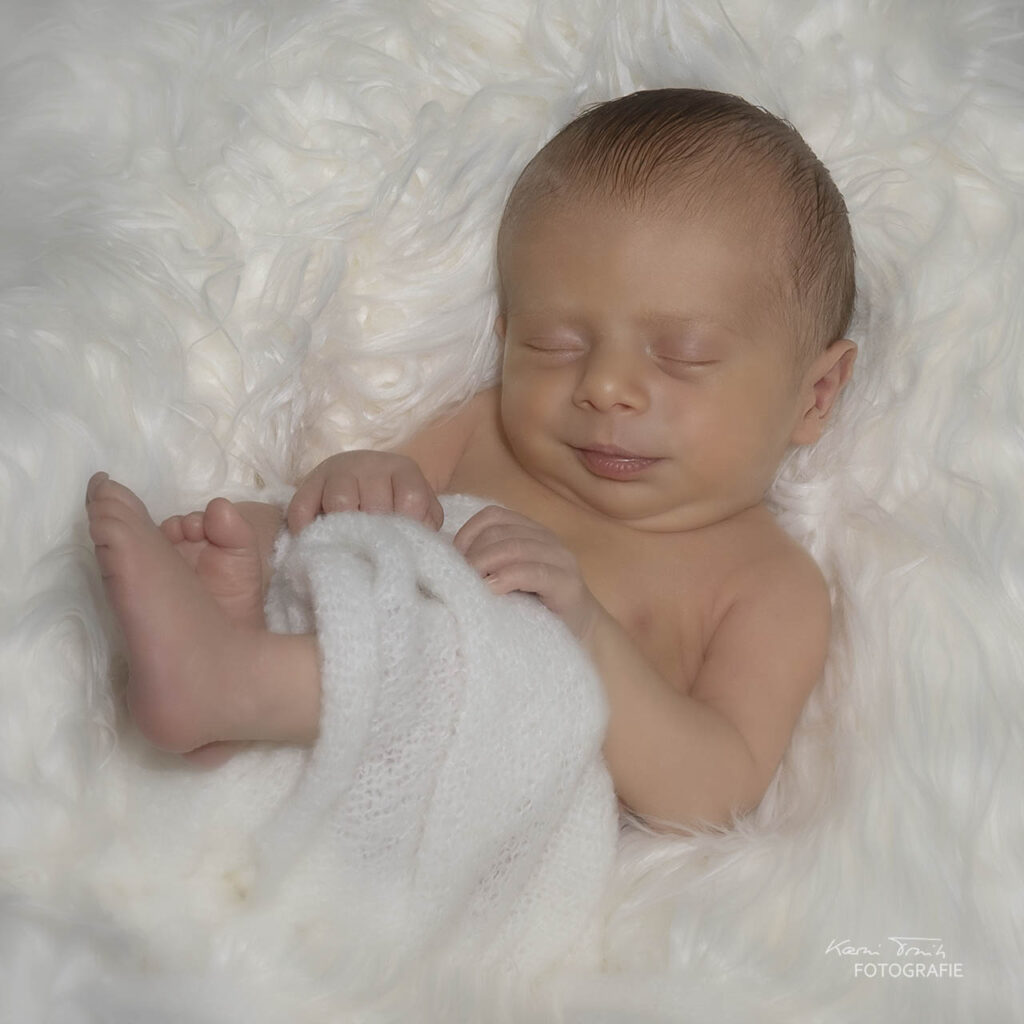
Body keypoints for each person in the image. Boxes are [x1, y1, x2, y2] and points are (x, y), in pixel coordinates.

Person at [86, 88, 857, 833]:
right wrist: (358, 479)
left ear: (815, 395)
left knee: (512, 656)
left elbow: (714, 790)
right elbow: (362, 511)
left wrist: (586, 632)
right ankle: (226, 616)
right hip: (341, 683)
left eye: (680, 357)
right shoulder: (484, 430)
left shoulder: (768, 585)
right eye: (554, 346)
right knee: (304, 527)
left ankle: (230, 686)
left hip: (486, 793)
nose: (605, 387)